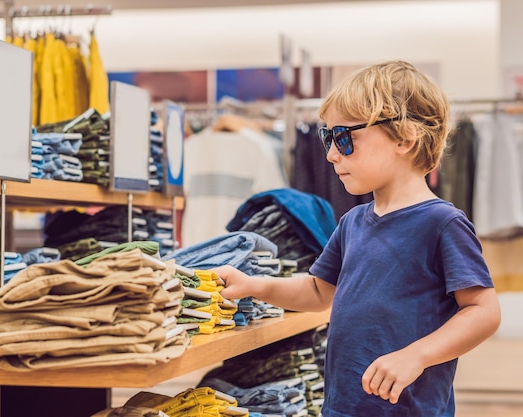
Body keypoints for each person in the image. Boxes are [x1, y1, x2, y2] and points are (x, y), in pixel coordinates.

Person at [212, 60, 501, 416]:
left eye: (344, 138)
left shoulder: (442, 223)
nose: (331, 154)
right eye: (327, 138)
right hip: (343, 405)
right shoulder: (352, 222)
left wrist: (416, 355)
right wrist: (255, 285)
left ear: (406, 138)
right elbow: (319, 292)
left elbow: (483, 312)